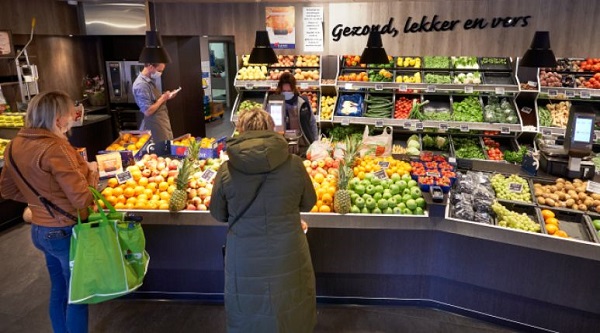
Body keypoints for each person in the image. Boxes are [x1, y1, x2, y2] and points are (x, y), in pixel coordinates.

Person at [210, 107, 317, 333]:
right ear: (272, 129)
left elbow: (218, 214)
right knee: (291, 308)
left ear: (239, 130)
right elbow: (308, 203)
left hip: (244, 254)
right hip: (288, 250)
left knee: (247, 310)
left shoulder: (226, 171)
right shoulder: (295, 165)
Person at [0, 91, 99, 333]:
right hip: (65, 232)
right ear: (57, 119)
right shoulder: (56, 147)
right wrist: (91, 173)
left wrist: (40, 203)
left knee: (59, 288)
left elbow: (7, 189)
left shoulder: (14, 145)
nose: (72, 119)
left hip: (41, 231)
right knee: (78, 293)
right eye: (70, 115)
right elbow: (81, 198)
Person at [132, 62, 178, 142]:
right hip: (155, 125)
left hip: (162, 122)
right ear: (150, 66)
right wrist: (162, 99)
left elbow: (154, 101)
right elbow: (147, 111)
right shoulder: (141, 85)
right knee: (162, 151)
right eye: (159, 71)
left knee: (168, 148)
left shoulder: (150, 81)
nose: (160, 73)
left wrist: (167, 96)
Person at [276, 72, 318, 153]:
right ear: (280, 89)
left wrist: (315, 142)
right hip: (284, 148)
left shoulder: (303, 102)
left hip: (305, 146)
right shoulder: (275, 104)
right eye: (284, 91)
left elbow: (312, 122)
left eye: (289, 90)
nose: (286, 93)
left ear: (294, 89)